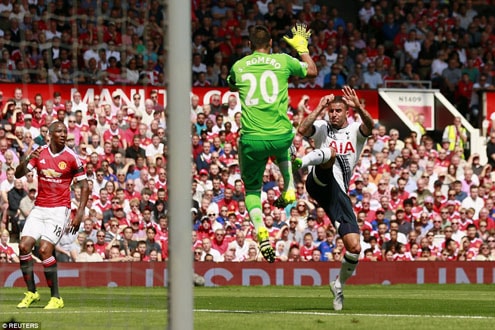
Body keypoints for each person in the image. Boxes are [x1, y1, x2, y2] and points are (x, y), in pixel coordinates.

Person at [227, 23, 317, 262]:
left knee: (253, 190)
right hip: (280, 135)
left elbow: (232, 83)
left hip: (252, 139)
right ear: (270, 44)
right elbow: (312, 71)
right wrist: (302, 48)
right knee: (287, 144)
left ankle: (260, 231)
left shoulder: (239, 65)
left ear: (249, 45)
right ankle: (288, 187)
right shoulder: (283, 61)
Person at [294, 86, 373, 310]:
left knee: (354, 247)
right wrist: (319, 106)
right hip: (318, 182)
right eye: (331, 111)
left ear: (347, 111)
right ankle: (300, 163)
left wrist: (360, 107)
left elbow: (371, 126)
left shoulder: (356, 131)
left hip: (337, 194)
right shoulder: (322, 127)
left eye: (338, 111)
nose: (334, 114)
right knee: (330, 154)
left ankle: (338, 285)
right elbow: (302, 129)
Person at [14, 121, 89, 309]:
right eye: (59, 131)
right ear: (50, 135)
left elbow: (85, 186)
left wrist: (78, 214)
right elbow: (18, 174)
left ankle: (56, 297)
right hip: (39, 208)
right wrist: (28, 157)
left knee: (45, 250)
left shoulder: (72, 157)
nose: (64, 134)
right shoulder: (40, 153)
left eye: (65, 131)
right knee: (23, 246)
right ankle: (32, 292)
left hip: (59, 210)